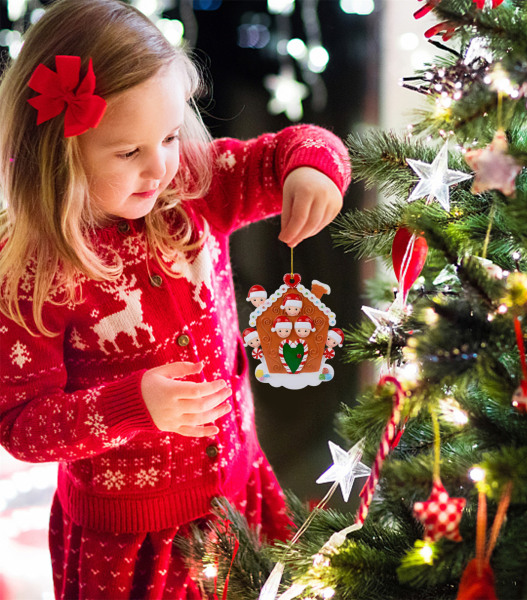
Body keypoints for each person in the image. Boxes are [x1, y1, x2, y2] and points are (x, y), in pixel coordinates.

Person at [0, 1, 350, 598]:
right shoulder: (34, 269)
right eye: (128, 152)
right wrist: (132, 406)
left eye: (167, 135)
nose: (159, 166)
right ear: (59, 152)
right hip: (132, 545)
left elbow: (286, 149)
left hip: (238, 495)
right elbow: (20, 425)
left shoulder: (191, 188)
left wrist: (312, 168)